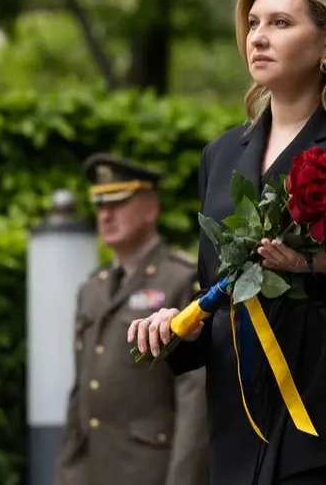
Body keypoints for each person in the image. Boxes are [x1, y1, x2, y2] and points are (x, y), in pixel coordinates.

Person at [128, 0, 326, 485]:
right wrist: (178, 329)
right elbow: (220, 291)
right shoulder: (220, 154)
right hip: (238, 437)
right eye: (254, 23)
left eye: (280, 23)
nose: (258, 38)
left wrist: (324, 269)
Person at [55, 153, 208, 485]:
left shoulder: (181, 280)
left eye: (118, 202)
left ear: (150, 208)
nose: (106, 214)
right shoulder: (92, 289)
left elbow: (194, 397)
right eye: (100, 205)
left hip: (151, 473)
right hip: (90, 473)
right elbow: (81, 393)